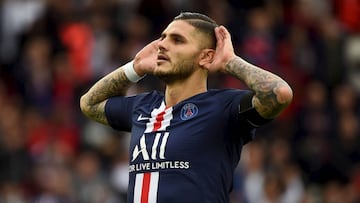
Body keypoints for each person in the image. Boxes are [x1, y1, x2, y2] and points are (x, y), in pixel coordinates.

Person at [80, 12, 293, 203]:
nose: (162, 45)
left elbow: (279, 94)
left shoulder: (223, 107)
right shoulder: (143, 106)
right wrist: (134, 68)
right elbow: (89, 104)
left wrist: (230, 62)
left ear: (206, 56)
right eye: (163, 37)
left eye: (177, 40)